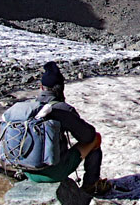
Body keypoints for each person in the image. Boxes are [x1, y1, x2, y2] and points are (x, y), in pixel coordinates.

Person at [24, 61, 112, 196]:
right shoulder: (62, 109)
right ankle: (91, 184)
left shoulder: (28, 108)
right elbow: (88, 136)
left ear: (41, 87)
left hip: (28, 170)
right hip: (53, 173)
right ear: (61, 88)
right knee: (96, 139)